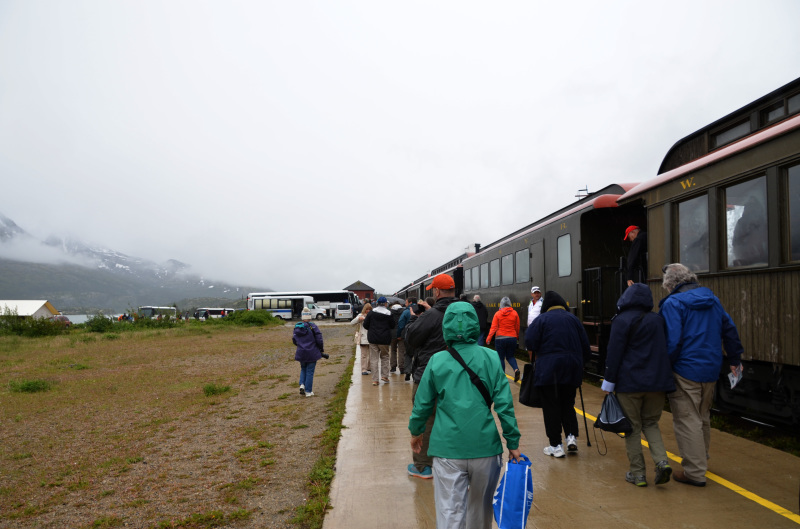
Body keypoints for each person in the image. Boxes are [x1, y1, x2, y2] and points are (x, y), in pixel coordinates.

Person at [409, 302, 521, 529]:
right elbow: (504, 405)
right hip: (485, 449)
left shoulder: (437, 361)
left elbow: (422, 404)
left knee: (450, 511)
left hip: (447, 449)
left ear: (446, 326)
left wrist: (416, 431)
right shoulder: (490, 358)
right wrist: (513, 441)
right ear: (475, 324)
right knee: (480, 510)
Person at [659, 263, 744, 487]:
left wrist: (664, 368)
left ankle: (695, 472)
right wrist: (735, 359)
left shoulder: (673, 303)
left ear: (670, 284)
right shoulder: (712, 300)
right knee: (702, 416)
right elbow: (730, 330)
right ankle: (701, 458)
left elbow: (673, 341)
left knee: (688, 419)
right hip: (710, 369)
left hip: (685, 369)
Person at [601, 283, 676, 487]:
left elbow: (614, 354)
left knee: (632, 428)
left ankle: (638, 474)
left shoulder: (621, 321)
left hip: (630, 384)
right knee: (651, 423)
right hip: (657, 384)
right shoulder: (657, 320)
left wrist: (609, 382)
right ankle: (662, 462)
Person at [404, 274, 460, 479]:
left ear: (436, 292)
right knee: (456, 417)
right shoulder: (465, 311)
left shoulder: (432, 315)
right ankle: (458, 464)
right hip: (460, 375)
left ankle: (423, 466)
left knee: (425, 417)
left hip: (429, 374)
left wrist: (416, 318)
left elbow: (411, 339)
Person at [524, 291, 590, 458]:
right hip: (571, 369)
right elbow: (586, 348)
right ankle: (571, 437)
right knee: (568, 403)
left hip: (548, 371)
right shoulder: (574, 320)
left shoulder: (541, 320)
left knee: (551, 406)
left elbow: (529, 342)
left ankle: (556, 445)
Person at [485, 296, 521, 382]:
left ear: (501, 304)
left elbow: (493, 327)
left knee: (501, 358)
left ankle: (502, 376)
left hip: (500, 338)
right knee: (510, 356)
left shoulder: (497, 314)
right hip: (512, 337)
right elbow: (517, 326)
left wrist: (488, 338)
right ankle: (516, 369)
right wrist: (517, 337)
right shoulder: (515, 313)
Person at [363, 297, 395, 386]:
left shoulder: (371, 313)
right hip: (384, 339)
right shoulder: (389, 313)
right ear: (385, 303)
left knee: (374, 359)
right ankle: (384, 376)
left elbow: (365, 325)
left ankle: (375, 380)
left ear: (377, 303)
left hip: (373, 338)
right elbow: (392, 325)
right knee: (385, 357)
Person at [293, 308, 325, 398]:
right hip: (312, 352)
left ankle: (302, 384)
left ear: (302, 317)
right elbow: (319, 340)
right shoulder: (313, 326)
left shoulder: (297, 327)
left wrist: (300, 346)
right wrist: (321, 349)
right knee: (310, 371)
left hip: (301, 352)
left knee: (303, 369)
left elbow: (294, 340)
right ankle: (308, 391)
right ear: (310, 316)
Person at [397, 297, 418, 381]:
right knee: (417, 355)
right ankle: (416, 373)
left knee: (408, 354)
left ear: (410, 302)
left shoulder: (406, 312)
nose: (405, 304)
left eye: (406, 302)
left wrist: (399, 334)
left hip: (408, 336)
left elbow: (401, 324)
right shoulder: (421, 311)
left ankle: (408, 371)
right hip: (419, 336)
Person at [351, 303, 372, 376]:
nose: (368, 311)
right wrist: (358, 319)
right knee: (364, 355)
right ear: (364, 309)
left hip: (372, 337)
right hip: (363, 337)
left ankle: (369, 367)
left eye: (369, 309)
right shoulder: (360, 316)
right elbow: (352, 323)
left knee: (371, 355)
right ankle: (364, 369)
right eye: (367, 309)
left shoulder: (373, 316)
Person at [389, 302, 406, 374]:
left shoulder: (390, 314)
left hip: (392, 335)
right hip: (401, 334)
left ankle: (393, 367)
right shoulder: (403, 313)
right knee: (401, 351)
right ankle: (402, 367)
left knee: (393, 350)